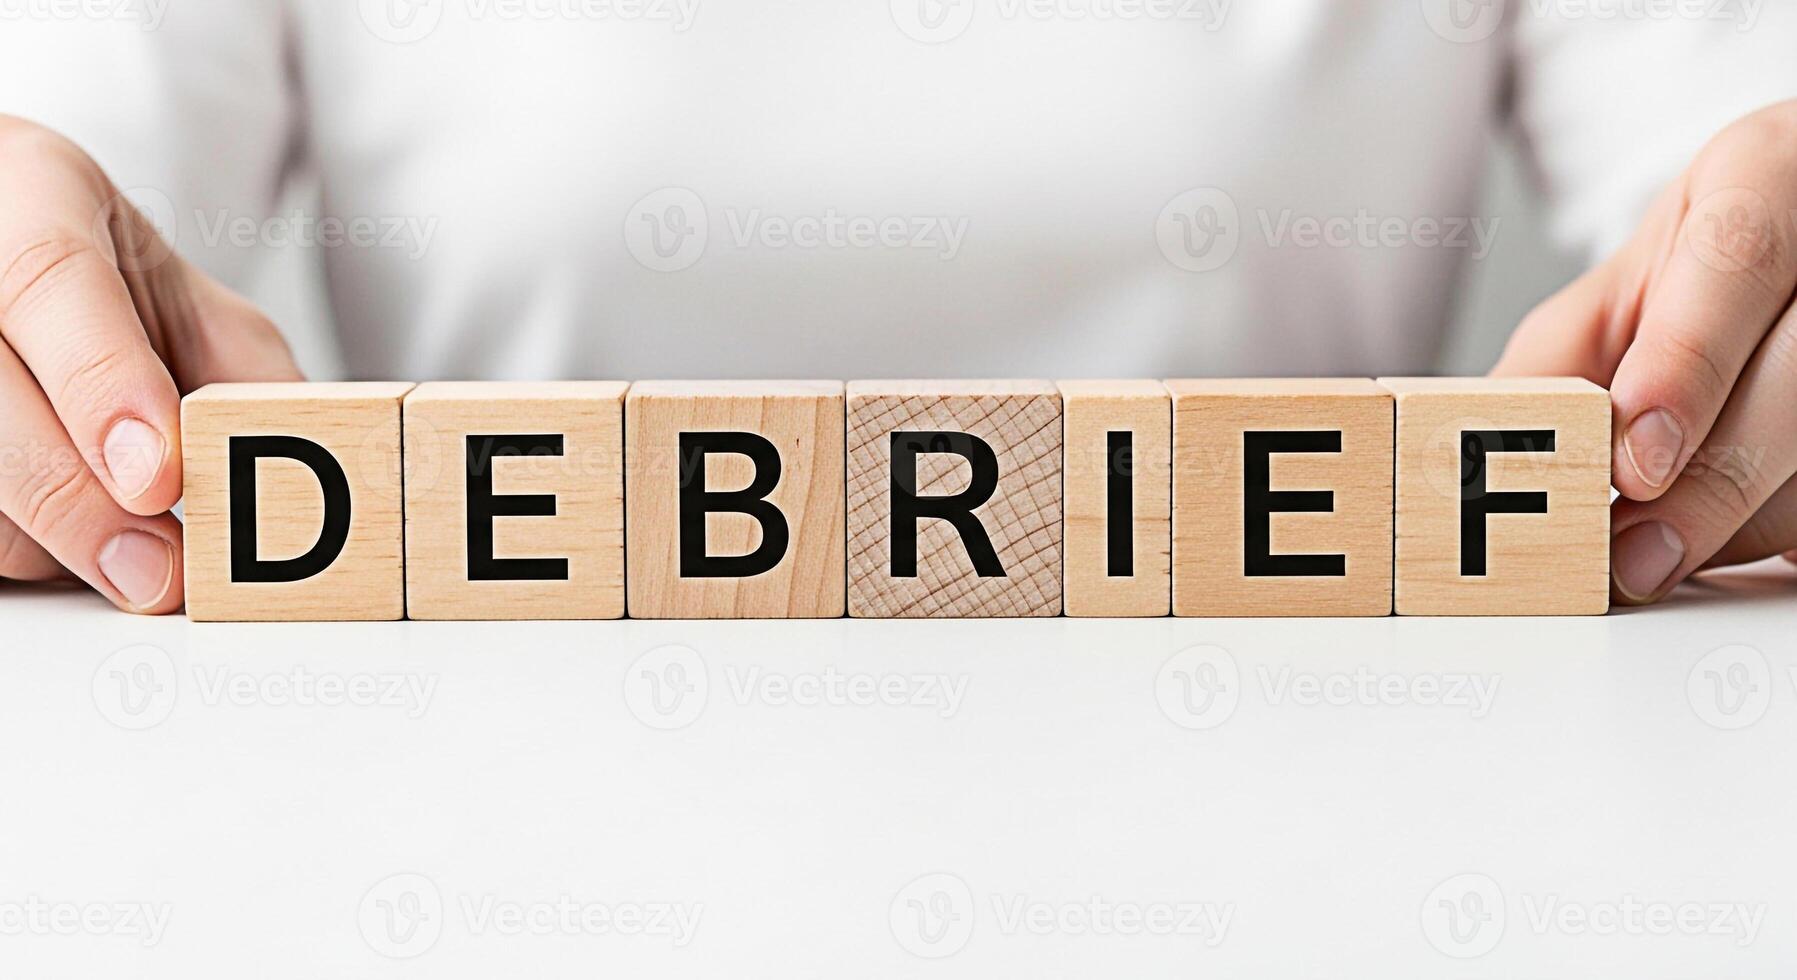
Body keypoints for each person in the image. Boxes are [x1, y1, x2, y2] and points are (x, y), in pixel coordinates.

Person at [0, 0, 1792, 615]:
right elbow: (69, 152)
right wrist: (48, 333)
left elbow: (1731, 156)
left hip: (1330, 811)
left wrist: (1741, 314)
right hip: (484, 834)